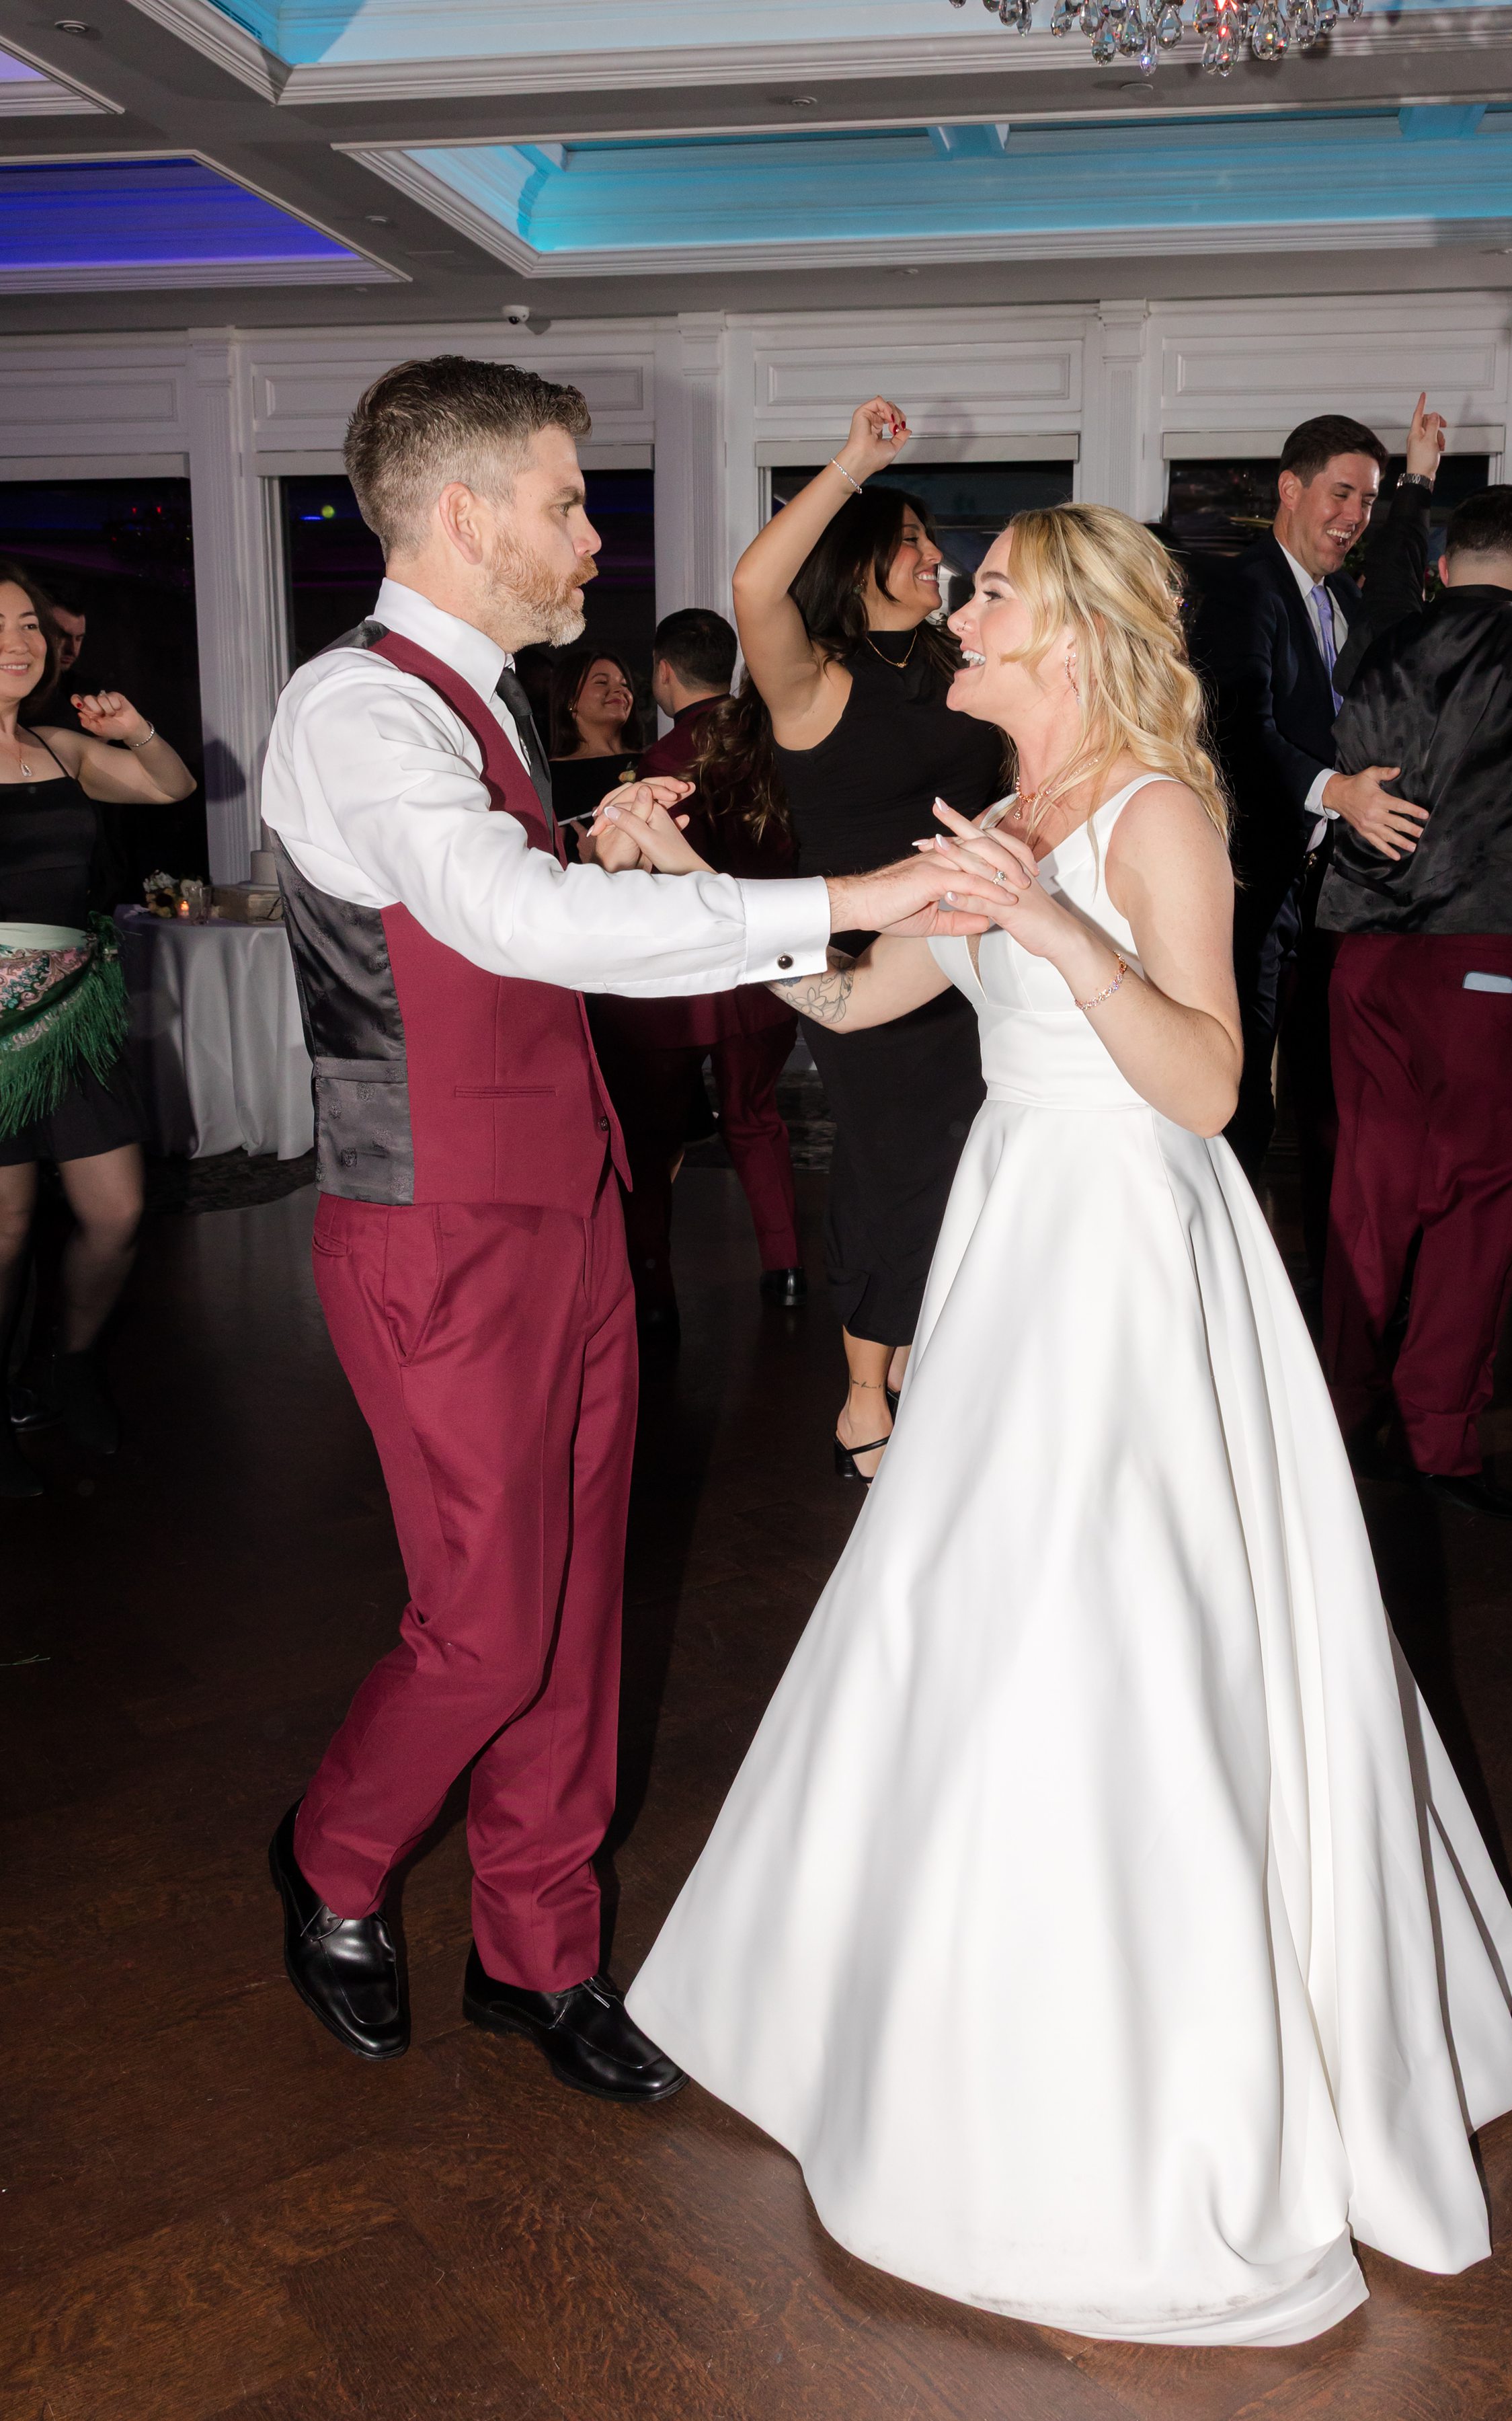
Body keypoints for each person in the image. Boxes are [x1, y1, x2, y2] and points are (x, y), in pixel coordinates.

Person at [621, 502, 1512, 2345]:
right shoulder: (1006, 813)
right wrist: (679, 905)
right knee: (965, 1614)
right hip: (1012, 1243)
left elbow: (1207, 1086)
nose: (961, 608)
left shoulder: (1153, 816)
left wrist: (1058, 926)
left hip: (1129, 1256)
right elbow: (866, 995)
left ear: (1076, 633)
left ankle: (1154, 2076)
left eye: (996, 593)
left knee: (1123, 1637)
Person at [256, 354, 984, 2093]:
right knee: (490, 1625)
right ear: (464, 514)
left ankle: (539, 1955)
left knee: (580, 1612)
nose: (596, 533)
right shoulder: (357, 708)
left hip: (571, 1210)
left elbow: (483, 891)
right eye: (571, 498)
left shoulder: (479, 701)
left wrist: (596, 831)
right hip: (431, 1228)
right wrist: (849, 899)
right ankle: (334, 1859)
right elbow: (494, 918)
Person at [707, 397, 1004, 1478]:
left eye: (934, 542)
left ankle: (926, 1369)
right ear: (860, 560)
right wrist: (852, 464)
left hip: (970, 957)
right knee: (894, 1165)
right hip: (868, 964)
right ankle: (860, 1396)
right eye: (913, 541)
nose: (936, 557)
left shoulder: (962, 668)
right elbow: (753, 587)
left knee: (964, 1162)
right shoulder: (814, 681)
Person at [1318, 455, 1512, 1520]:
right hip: (1487, 962)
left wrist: (1505, 530)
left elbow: (1407, 565)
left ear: (1444, 565)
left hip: (1363, 959)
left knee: (1372, 1196)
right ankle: (1437, 1441)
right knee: (1483, 1208)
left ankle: (1337, 1422)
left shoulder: (1383, 627)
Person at [1199, 404, 1441, 1276]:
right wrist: (1334, 792)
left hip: (1327, 897)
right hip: (1247, 888)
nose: (1354, 515)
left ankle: (1318, 1284)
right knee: (1234, 1094)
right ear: (1291, 488)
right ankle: (1212, 1270)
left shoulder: (1341, 597)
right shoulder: (1240, 588)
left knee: (1327, 1096)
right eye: (1343, 492)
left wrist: (1417, 488)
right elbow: (1239, 726)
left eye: (1370, 501)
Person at [0, 558, 196, 1498]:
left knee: (115, 1213)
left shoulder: (57, 748)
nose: (20, 642)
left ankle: (69, 1362)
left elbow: (169, 786)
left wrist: (136, 730)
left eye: (31, 627)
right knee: (3, 1232)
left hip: (71, 1020)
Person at [586, 608, 801, 1340]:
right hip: (764, 970)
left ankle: (653, 1295)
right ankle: (787, 1266)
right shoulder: (774, 742)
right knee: (758, 1120)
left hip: (676, 983)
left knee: (650, 1142)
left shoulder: (660, 759)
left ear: (664, 674)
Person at [549, 646, 641, 827]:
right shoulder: (552, 777)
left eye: (624, 685)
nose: (619, 691)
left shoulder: (653, 760)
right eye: (601, 683)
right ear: (570, 701)